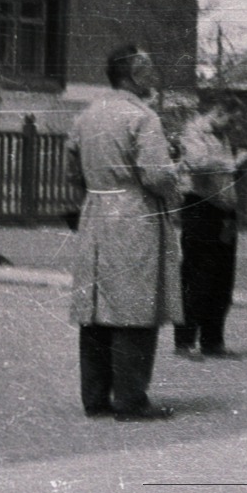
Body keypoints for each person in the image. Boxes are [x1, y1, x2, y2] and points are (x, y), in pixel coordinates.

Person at [67, 45, 183, 421]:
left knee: (96, 307)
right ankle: (130, 399)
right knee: (135, 305)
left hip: (96, 212)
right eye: (147, 69)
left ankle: (95, 397)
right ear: (132, 75)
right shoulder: (142, 117)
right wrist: (176, 177)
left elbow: (72, 170)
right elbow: (156, 174)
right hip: (134, 215)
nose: (152, 76)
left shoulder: (86, 116)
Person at [173, 96, 247, 358]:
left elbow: (222, 172)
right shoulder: (194, 132)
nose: (233, 126)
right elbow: (197, 164)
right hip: (201, 209)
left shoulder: (223, 137)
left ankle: (212, 339)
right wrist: (231, 163)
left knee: (221, 280)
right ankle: (184, 341)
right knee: (197, 277)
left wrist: (239, 166)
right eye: (232, 119)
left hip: (223, 213)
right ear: (218, 110)